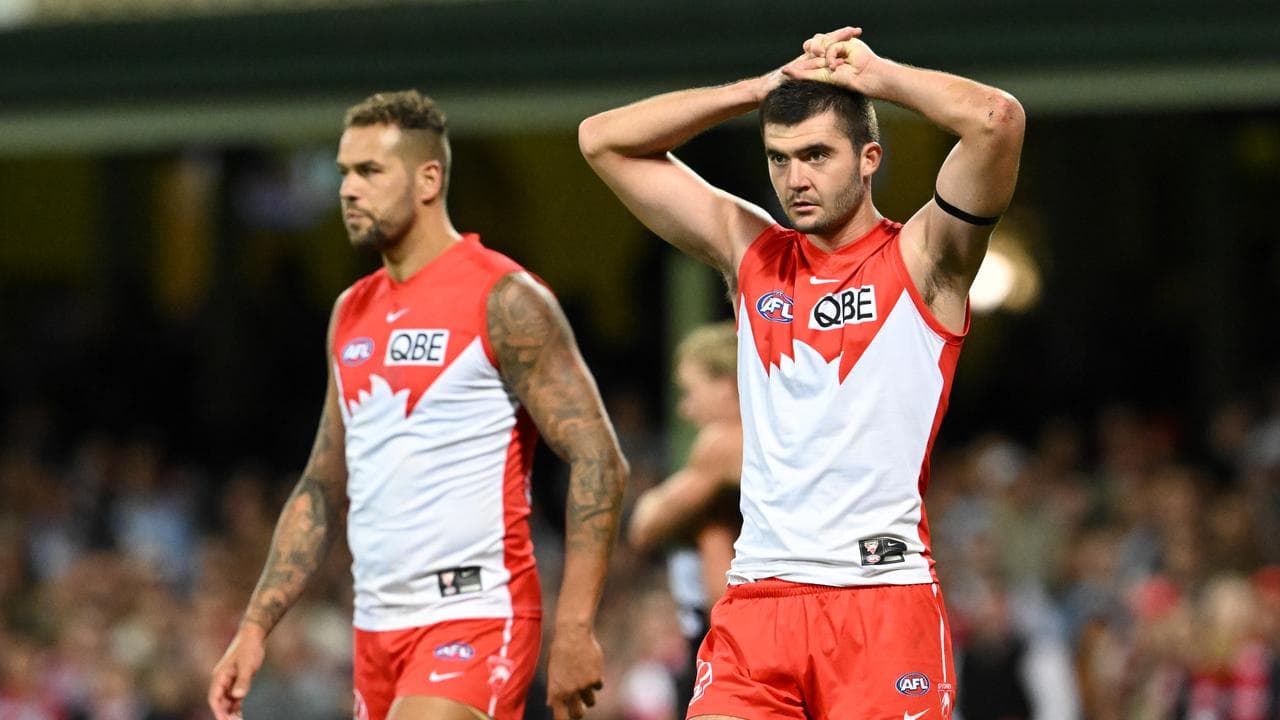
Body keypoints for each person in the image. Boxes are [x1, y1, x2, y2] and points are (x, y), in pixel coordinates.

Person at [580, 26, 1024, 720]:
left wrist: (880, 77)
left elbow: (997, 121)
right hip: (759, 602)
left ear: (870, 157)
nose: (796, 179)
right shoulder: (752, 251)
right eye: (779, 158)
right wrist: (756, 90)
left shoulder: (925, 258)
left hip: (880, 600)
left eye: (817, 154)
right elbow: (601, 139)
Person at [208, 90, 629, 720]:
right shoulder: (350, 312)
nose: (348, 189)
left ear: (429, 178)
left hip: (477, 611)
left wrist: (573, 629)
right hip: (376, 627)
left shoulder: (504, 298)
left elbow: (599, 458)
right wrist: (254, 627)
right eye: (344, 171)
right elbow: (322, 487)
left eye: (370, 171)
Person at [627, 321, 743, 711]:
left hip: (729, 648)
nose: (684, 407)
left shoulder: (724, 445)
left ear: (727, 384)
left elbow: (644, 526)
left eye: (690, 391)